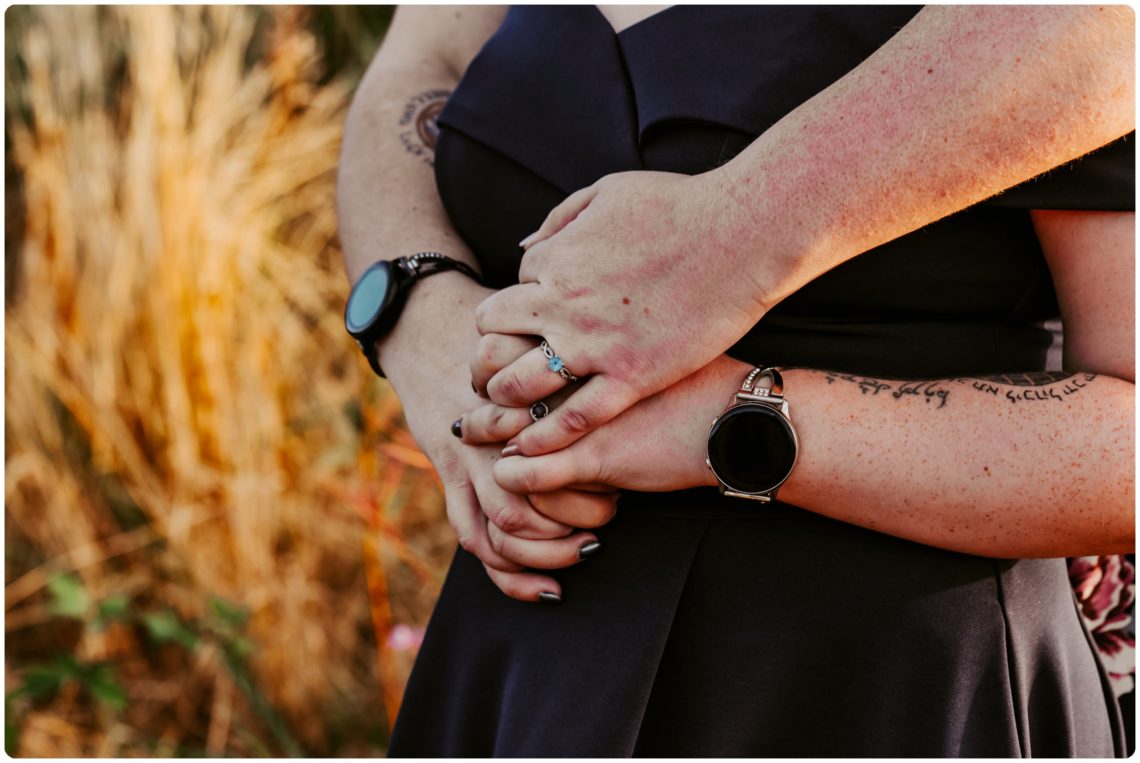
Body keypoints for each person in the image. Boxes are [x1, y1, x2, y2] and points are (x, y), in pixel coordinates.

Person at [337, 5, 1135, 756]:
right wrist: (430, 330)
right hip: (527, 667)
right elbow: (414, 71)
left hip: (897, 689)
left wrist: (728, 414)